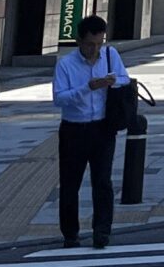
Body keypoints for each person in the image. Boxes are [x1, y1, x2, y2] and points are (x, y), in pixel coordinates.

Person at [52, 14, 130, 250]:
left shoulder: (110, 55)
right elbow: (59, 98)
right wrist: (87, 88)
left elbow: (125, 79)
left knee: (103, 181)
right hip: (74, 128)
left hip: (103, 127)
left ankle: (102, 231)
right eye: (89, 44)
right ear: (79, 41)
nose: (94, 49)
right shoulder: (66, 64)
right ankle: (70, 234)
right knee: (70, 183)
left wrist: (112, 81)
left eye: (99, 43)